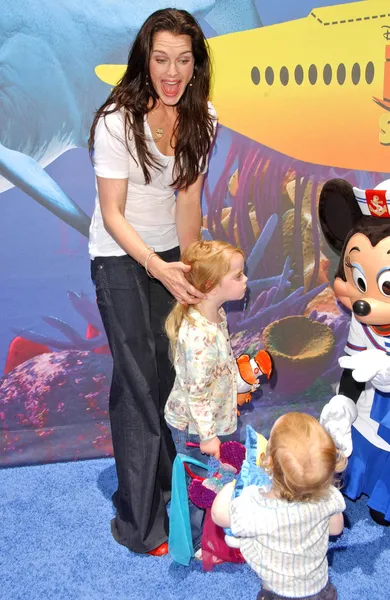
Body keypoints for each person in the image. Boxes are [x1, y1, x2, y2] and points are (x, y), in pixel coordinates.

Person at [88, 8, 217, 556]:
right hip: (119, 255)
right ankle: (138, 524)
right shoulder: (116, 120)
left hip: (168, 256)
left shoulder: (202, 117)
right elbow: (113, 214)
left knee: (167, 379)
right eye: (161, 59)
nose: (172, 72)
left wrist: (194, 277)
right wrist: (157, 266)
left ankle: (167, 492)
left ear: (196, 65)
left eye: (183, 60)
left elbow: (188, 203)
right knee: (138, 382)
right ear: (145, 59)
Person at [164, 239, 248, 552]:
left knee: (218, 477)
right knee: (199, 482)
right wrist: (208, 436)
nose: (245, 281)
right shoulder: (197, 335)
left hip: (217, 419)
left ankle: (216, 530)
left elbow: (217, 369)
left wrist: (236, 385)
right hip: (196, 428)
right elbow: (195, 392)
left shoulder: (217, 315)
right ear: (211, 286)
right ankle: (198, 541)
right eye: (238, 276)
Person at [211, 413, 347, 600]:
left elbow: (218, 515)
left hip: (276, 592)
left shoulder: (255, 506)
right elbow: (336, 528)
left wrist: (229, 488)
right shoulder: (329, 498)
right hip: (319, 589)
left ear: (269, 462)